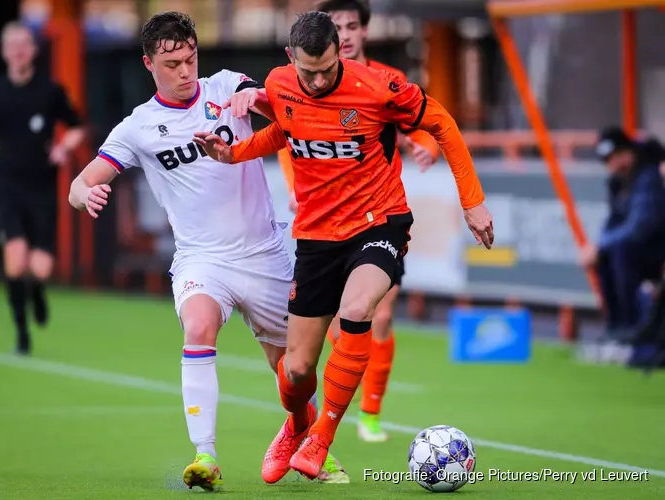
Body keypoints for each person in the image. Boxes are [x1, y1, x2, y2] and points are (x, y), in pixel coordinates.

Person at [193, 11, 493, 482]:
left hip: (380, 221)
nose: (316, 81)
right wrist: (233, 153)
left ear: (340, 52)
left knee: (359, 309)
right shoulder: (280, 83)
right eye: (307, 72)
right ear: (292, 59)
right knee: (295, 371)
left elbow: (444, 125)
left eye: (326, 70)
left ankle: (322, 438)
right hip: (316, 235)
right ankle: (298, 425)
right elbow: (286, 132)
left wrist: (472, 202)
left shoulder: (378, 87)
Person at [67, 12, 348, 491]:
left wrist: (257, 96)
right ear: (148, 63)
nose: (184, 70)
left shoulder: (226, 87)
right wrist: (84, 194)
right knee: (198, 325)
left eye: (191, 58)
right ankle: (206, 456)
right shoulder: (139, 127)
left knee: (295, 376)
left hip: (265, 255)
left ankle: (306, 436)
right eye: (172, 62)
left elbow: (284, 107)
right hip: (203, 261)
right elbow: (81, 181)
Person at [310, 0, 441, 443]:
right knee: (336, 324)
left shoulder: (386, 82)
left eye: (351, 26)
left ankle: (369, 413)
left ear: (365, 31)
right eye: (336, 28)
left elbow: (422, 123)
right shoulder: (311, 83)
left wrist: (426, 146)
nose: (344, 35)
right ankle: (334, 406)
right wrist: (296, 188)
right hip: (327, 224)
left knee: (379, 315)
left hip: (379, 219)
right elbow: (290, 139)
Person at [0, 21, 85, 356]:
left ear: (33, 50)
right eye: (12, 45)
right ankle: (22, 334)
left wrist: (63, 148)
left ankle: (36, 292)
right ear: (4, 52)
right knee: (15, 262)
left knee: (40, 268)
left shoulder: (50, 91)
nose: (18, 51)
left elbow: (76, 128)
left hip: (43, 189)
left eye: (24, 44)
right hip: (6, 188)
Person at [580, 126, 665, 340]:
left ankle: (632, 326)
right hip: (635, 247)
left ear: (629, 152)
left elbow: (641, 227)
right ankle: (615, 325)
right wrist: (598, 248)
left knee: (620, 251)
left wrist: (602, 247)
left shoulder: (648, 177)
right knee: (609, 253)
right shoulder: (618, 182)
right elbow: (613, 222)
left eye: (617, 156)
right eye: (608, 159)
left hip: (655, 247)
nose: (613, 164)